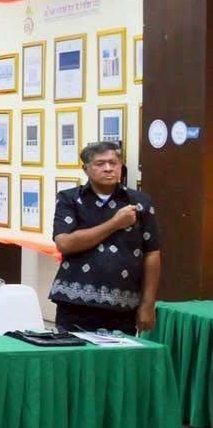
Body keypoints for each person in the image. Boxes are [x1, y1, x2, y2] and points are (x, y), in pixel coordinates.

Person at [50, 141, 162, 334]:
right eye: (100, 164)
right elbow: (64, 243)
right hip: (75, 303)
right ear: (86, 169)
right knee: (76, 361)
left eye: (114, 163)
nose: (108, 168)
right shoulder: (69, 199)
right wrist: (115, 223)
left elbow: (152, 253)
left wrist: (148, 304)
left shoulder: (140, 202)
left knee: (119, 362)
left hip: (124, 306)